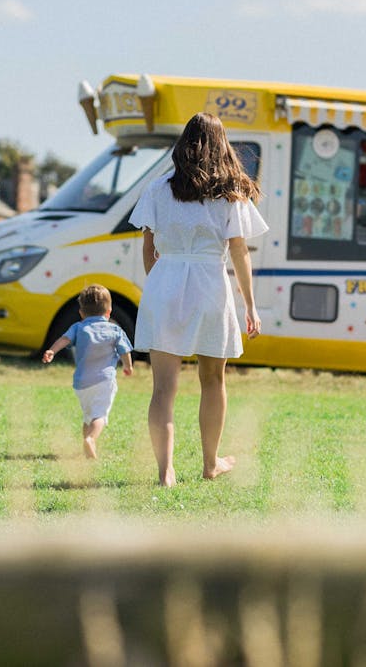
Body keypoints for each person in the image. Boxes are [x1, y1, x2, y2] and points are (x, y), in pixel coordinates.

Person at [128, 112, 268, 487]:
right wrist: (250, 305)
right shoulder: (231, 192)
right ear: (222, 146)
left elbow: (148, 246)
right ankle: (210, 464)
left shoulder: (159, 188)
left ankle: (165, 472)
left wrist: (159, 284)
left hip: (165, 281)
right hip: (209, 283)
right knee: (213, 380)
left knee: (162, 388)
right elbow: (239, 251)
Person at [41, 284, 134, 459]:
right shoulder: (115, 330)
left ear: (81, 312)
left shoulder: (78, 327)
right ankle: (91, 439)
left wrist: (52, 351)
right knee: (100, 415)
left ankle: (86, 444)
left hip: (81, 384)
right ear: (109, 311)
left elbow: (64, 339)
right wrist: (128, 367)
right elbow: (124, 351)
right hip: (104, 381)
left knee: (87, 416)